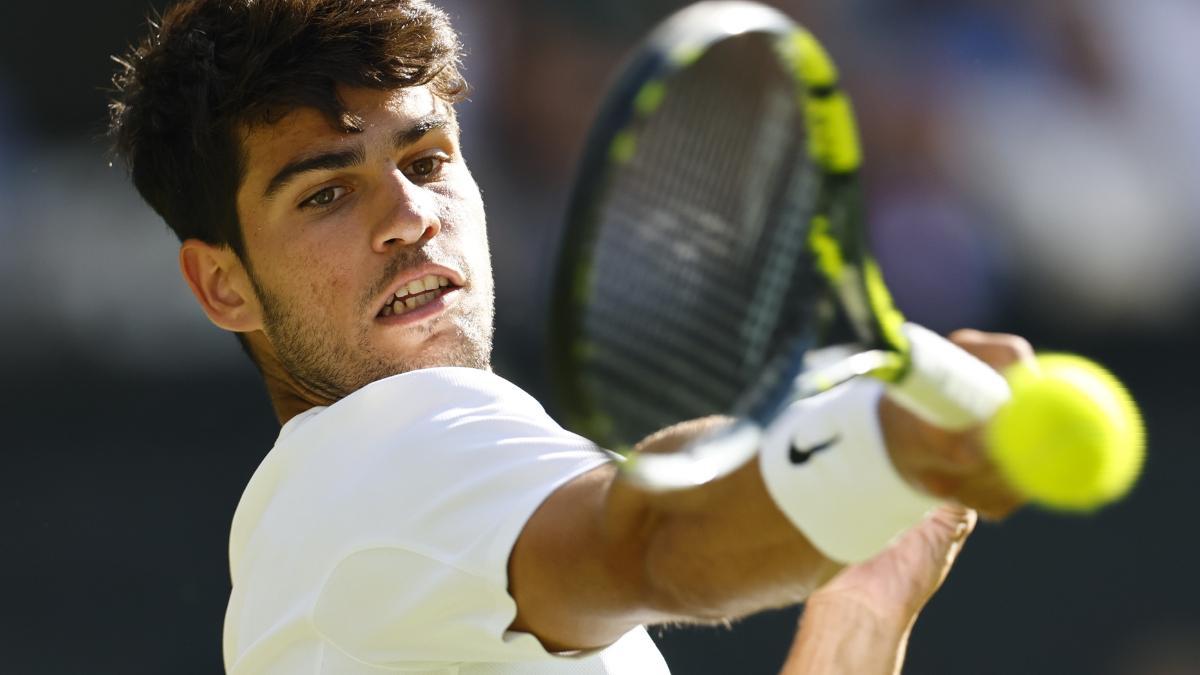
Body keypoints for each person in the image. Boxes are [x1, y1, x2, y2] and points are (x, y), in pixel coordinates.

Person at [108, 1, 1028, 672]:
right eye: (326, 193)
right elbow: (653, 534)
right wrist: (872, 450)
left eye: (428, 161)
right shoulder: (388, 454)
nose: (409, 217)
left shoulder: (352, 539)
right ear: (222, 285)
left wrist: (857, 617)